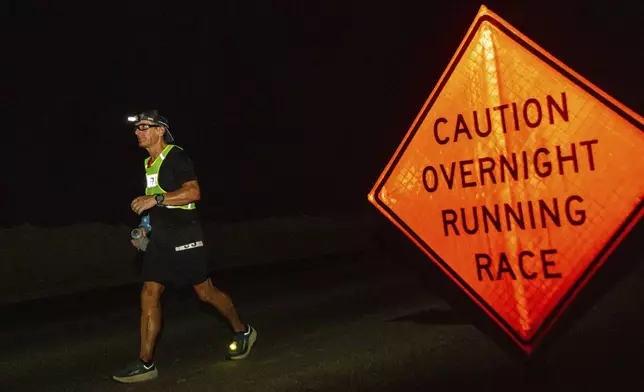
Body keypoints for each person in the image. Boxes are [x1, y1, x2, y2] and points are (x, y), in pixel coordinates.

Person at [112, 110, 257, 383]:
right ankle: (145, 363)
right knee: (149, 292)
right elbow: (157, 205)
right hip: (161, 239)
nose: (138, 132)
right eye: (136, 128)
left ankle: (243, 330)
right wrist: (145, 227)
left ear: (160, 130)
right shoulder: (149, 163)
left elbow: (193, 192)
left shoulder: (176, 156)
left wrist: (155, 199)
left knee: (205, 293)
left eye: (144, 127)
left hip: (186, 236)